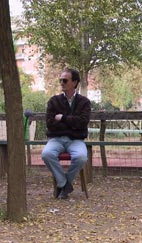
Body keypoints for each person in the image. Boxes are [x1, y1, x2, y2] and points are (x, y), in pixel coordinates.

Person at [41, 69, 94, 200]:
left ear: (74, 82)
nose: (62, 83)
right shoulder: (53, 101)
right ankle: (64, 184)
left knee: (81, 157)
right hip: (56, 139)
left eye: (65, 80)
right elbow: (50, 123)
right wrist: (72, 122)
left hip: (76, 140)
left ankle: (65, 184)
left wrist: (63, 118)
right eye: (61, 80)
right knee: (46, 154)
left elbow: (82, 123)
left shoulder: (84, 102)